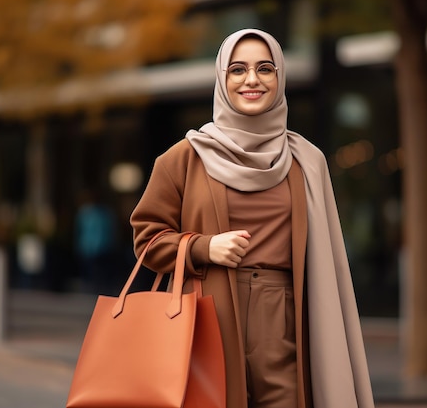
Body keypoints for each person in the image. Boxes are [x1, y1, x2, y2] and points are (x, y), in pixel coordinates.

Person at [130, 29, 375, 408]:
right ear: (222, 79)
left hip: (284, 319)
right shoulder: (183, 157)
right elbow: (146, 240)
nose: (252, 80)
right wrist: (203, 247)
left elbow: (329, 261)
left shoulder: (306, 161)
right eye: (237, 69)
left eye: (265, 68)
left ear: (279, 78)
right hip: (207, 317)